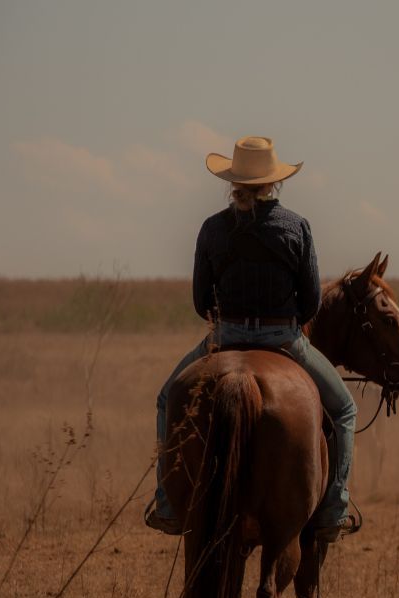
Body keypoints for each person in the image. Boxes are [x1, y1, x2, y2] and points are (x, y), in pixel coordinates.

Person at [144, 136, 359, 543]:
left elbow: (199, 301)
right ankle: (334, 508)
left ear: (233, 181)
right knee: (344, 410)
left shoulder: (211, 227)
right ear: (273, 183)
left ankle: (168, 504)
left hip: (223, 337)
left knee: (165, 399)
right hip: (285, 339)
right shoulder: (297, 226)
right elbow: (311, 301)